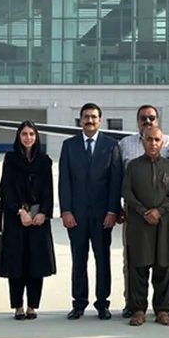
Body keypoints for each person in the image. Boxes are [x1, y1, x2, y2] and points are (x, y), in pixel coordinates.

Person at [59, 102, 123, 320]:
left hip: (102, 215)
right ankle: (79, 303)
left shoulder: (111, 145)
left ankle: (102, 303)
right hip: (76, 215)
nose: (90, 120)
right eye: (86, 117)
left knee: (102, 259)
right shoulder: (69, 146)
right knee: (79, 259)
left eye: (94, 117)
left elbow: (115, 181)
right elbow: (64, 181)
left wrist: (112, 211)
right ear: (81, 120)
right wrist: (66, 211)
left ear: (100, 120)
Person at [118, 104, 169, 319]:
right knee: (137, 265)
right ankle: (137, 309)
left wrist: (160, 211)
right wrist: (143, 211)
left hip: (164, 221)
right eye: (149, 140)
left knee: (164, 264)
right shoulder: (133, 164)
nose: (153, 143)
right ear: (143, 141)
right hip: (138, 221)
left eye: (156, 140)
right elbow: (126, 190)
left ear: (162, 142)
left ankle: (162, 310)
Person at [0, 121, 56, 320]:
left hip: (38, 219)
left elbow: (48, 190)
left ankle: (32, 306)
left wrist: (44, 213)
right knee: (16, 262)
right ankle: (18, 306)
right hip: (16, 218)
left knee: (36, 263)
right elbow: (7, 188)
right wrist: (20, 211)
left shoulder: (44, 161)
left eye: (31, 134)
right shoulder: (11, 159)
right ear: (18, 137)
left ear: (36, 137)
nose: (28, 138)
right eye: (24, 134)